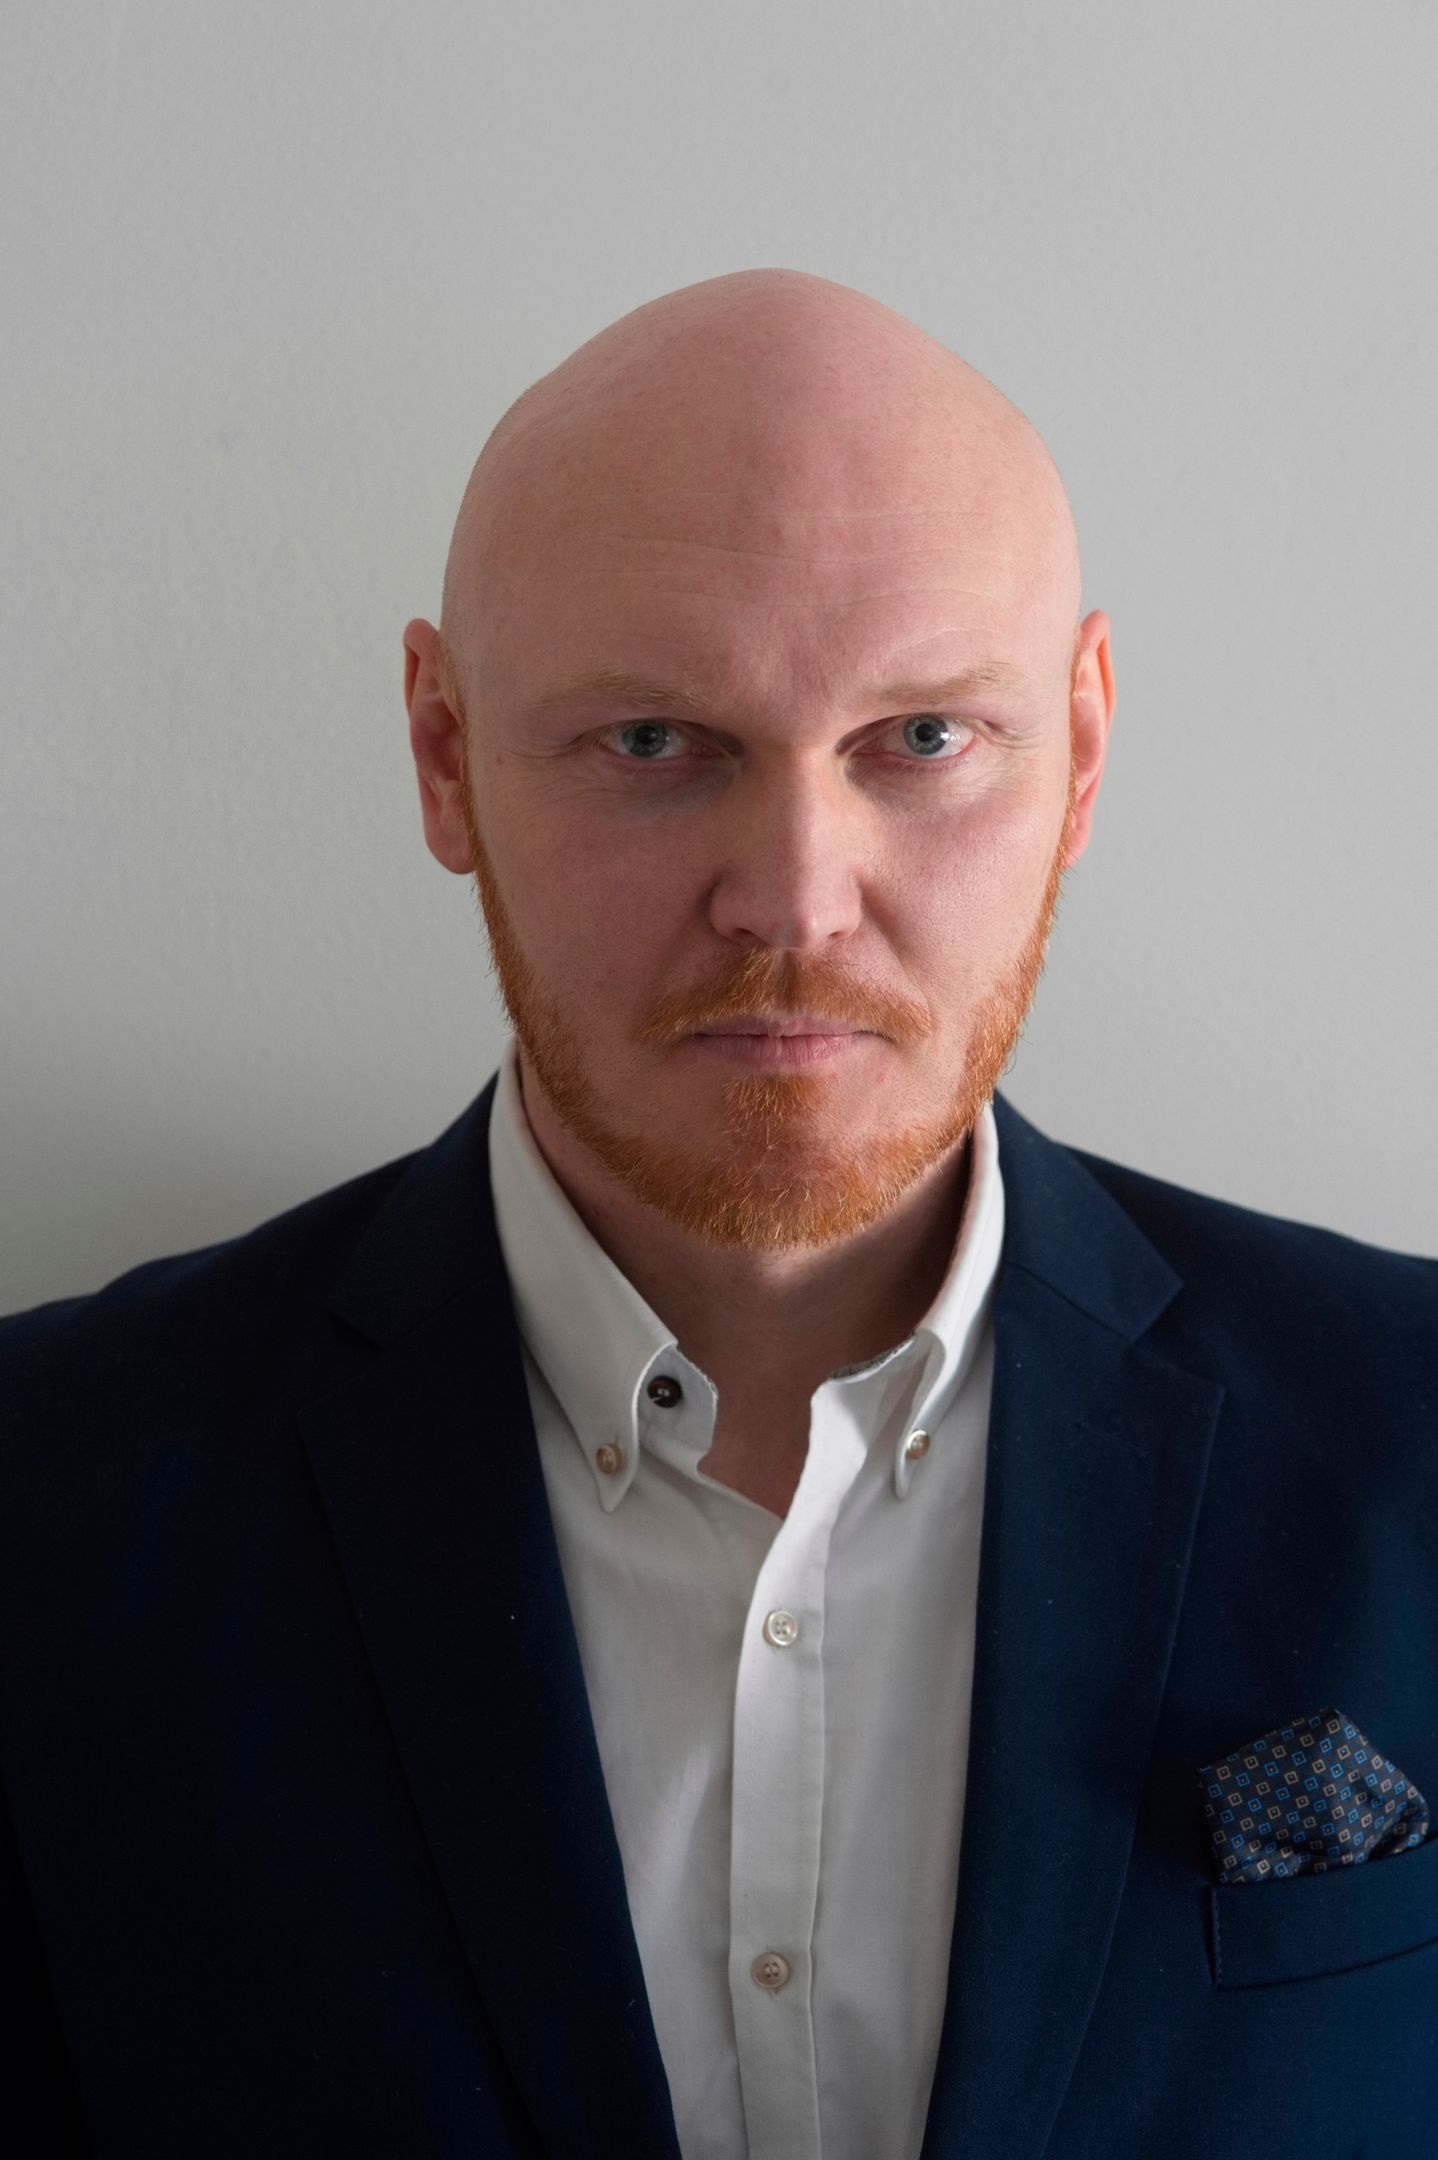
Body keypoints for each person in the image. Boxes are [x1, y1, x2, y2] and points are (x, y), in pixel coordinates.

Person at [2, 267, 1435, 2160]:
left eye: (921, 739)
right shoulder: (46, 1497)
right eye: (654, 743)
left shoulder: (1414, 1431)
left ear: (1079, 753)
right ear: (444, 754)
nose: (793, 898)